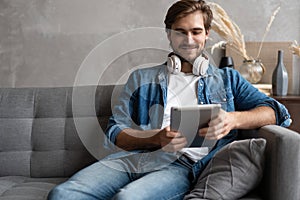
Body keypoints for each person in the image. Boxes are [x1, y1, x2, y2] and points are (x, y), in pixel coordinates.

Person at [48, 0, 291, 199]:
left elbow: (276, 112)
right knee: (62, 194)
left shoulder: (228, 79)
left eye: (196, 31)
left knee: (128, 198)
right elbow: (115, 131)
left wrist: (232, 119)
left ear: (207, 34)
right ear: (169, 34)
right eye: (180, 32)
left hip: (181, 166)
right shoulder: (141, 78)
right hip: (131, 159)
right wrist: (155, 137)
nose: (188, 39)